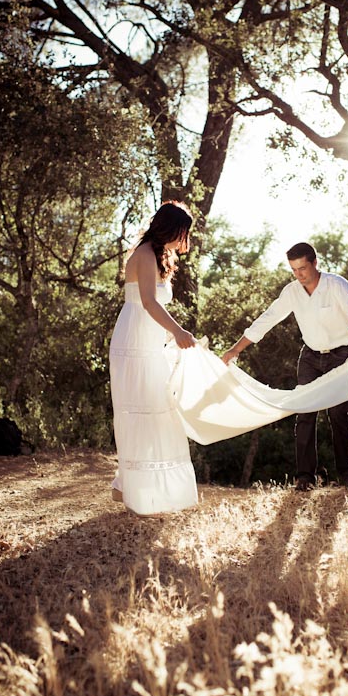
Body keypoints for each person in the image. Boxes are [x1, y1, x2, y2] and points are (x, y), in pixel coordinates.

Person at [222, 242, 348, 489]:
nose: (299, 274)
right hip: (310, 357)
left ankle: (347, 476)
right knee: (304, 414)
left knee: (338, 415)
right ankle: (304, 478)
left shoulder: (336, 285)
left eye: (303, 268)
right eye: (294, 270)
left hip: (340, 356)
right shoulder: (292, 291)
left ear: (315, 263)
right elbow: (267, 319)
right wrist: (234, 350)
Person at [109, 201, 198, 518]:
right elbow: (147, 302)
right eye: (182, 232)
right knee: (143, 409)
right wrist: (177, 331)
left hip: (150, 340)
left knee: (159, 409)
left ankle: (128, 485)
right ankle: (130, 487)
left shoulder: (160, 256)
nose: (183, 239)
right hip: (134, 340)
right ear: (170, 228)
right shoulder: (144, 254)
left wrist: (170, 339)